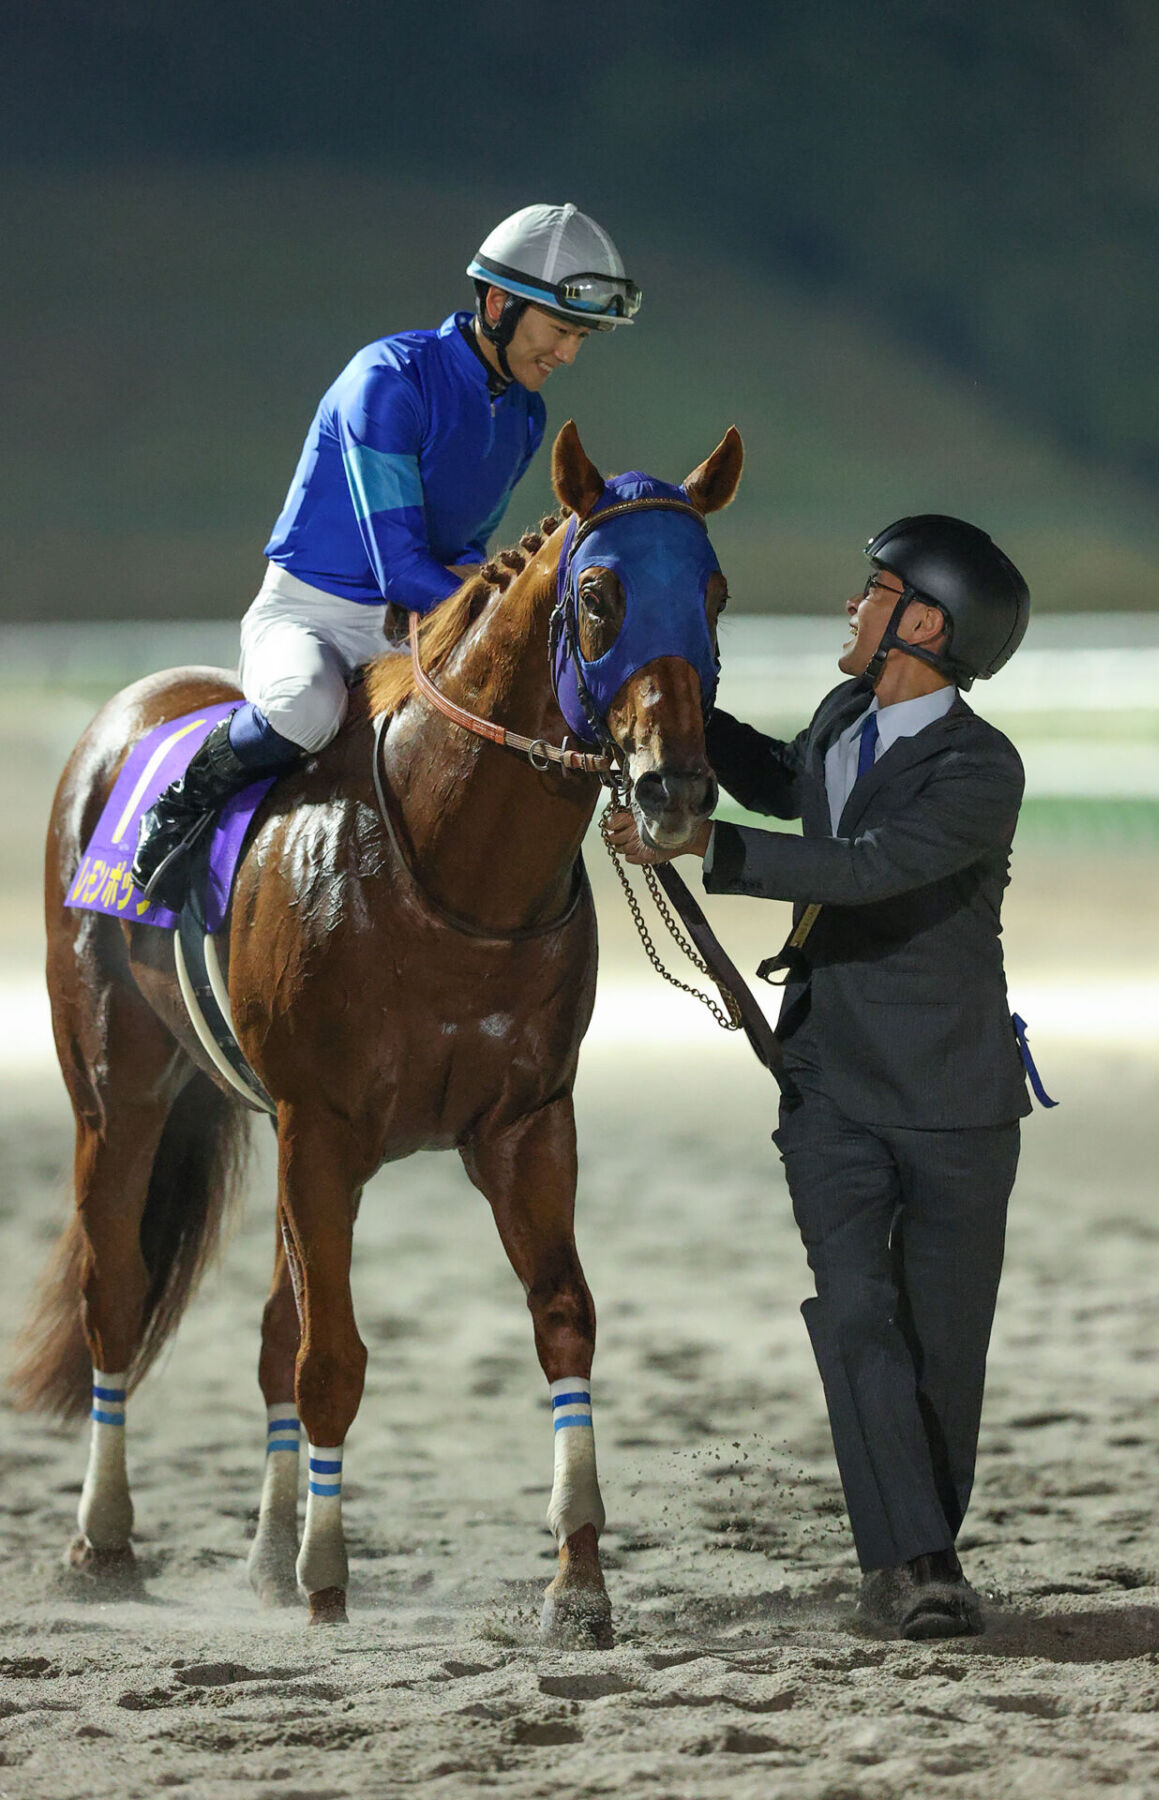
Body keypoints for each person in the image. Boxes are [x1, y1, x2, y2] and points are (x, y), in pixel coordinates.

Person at [606, 515, 1036, 1640]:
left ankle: (915, 1545)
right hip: (830, 1086)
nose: (854, 606)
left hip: (955, 1102)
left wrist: (709, 849)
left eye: (874, 589)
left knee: (942, 1349)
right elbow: (795, 780)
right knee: (854, 1311)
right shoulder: (847, 719)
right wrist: (674, 713)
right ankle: (919, 1567)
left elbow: (868, 868)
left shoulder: (983, 768)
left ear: (925, 624)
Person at [132, 202, 641, 908]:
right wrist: (505, 614)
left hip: (412, 625)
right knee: (308, 709)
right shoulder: (387, 381)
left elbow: (460, 552)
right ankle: (182, 804)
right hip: (311, 617)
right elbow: (399, 568)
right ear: (498, 303)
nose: (568, 355)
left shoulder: (525, 413)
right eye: (560, 330)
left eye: (581, 337)